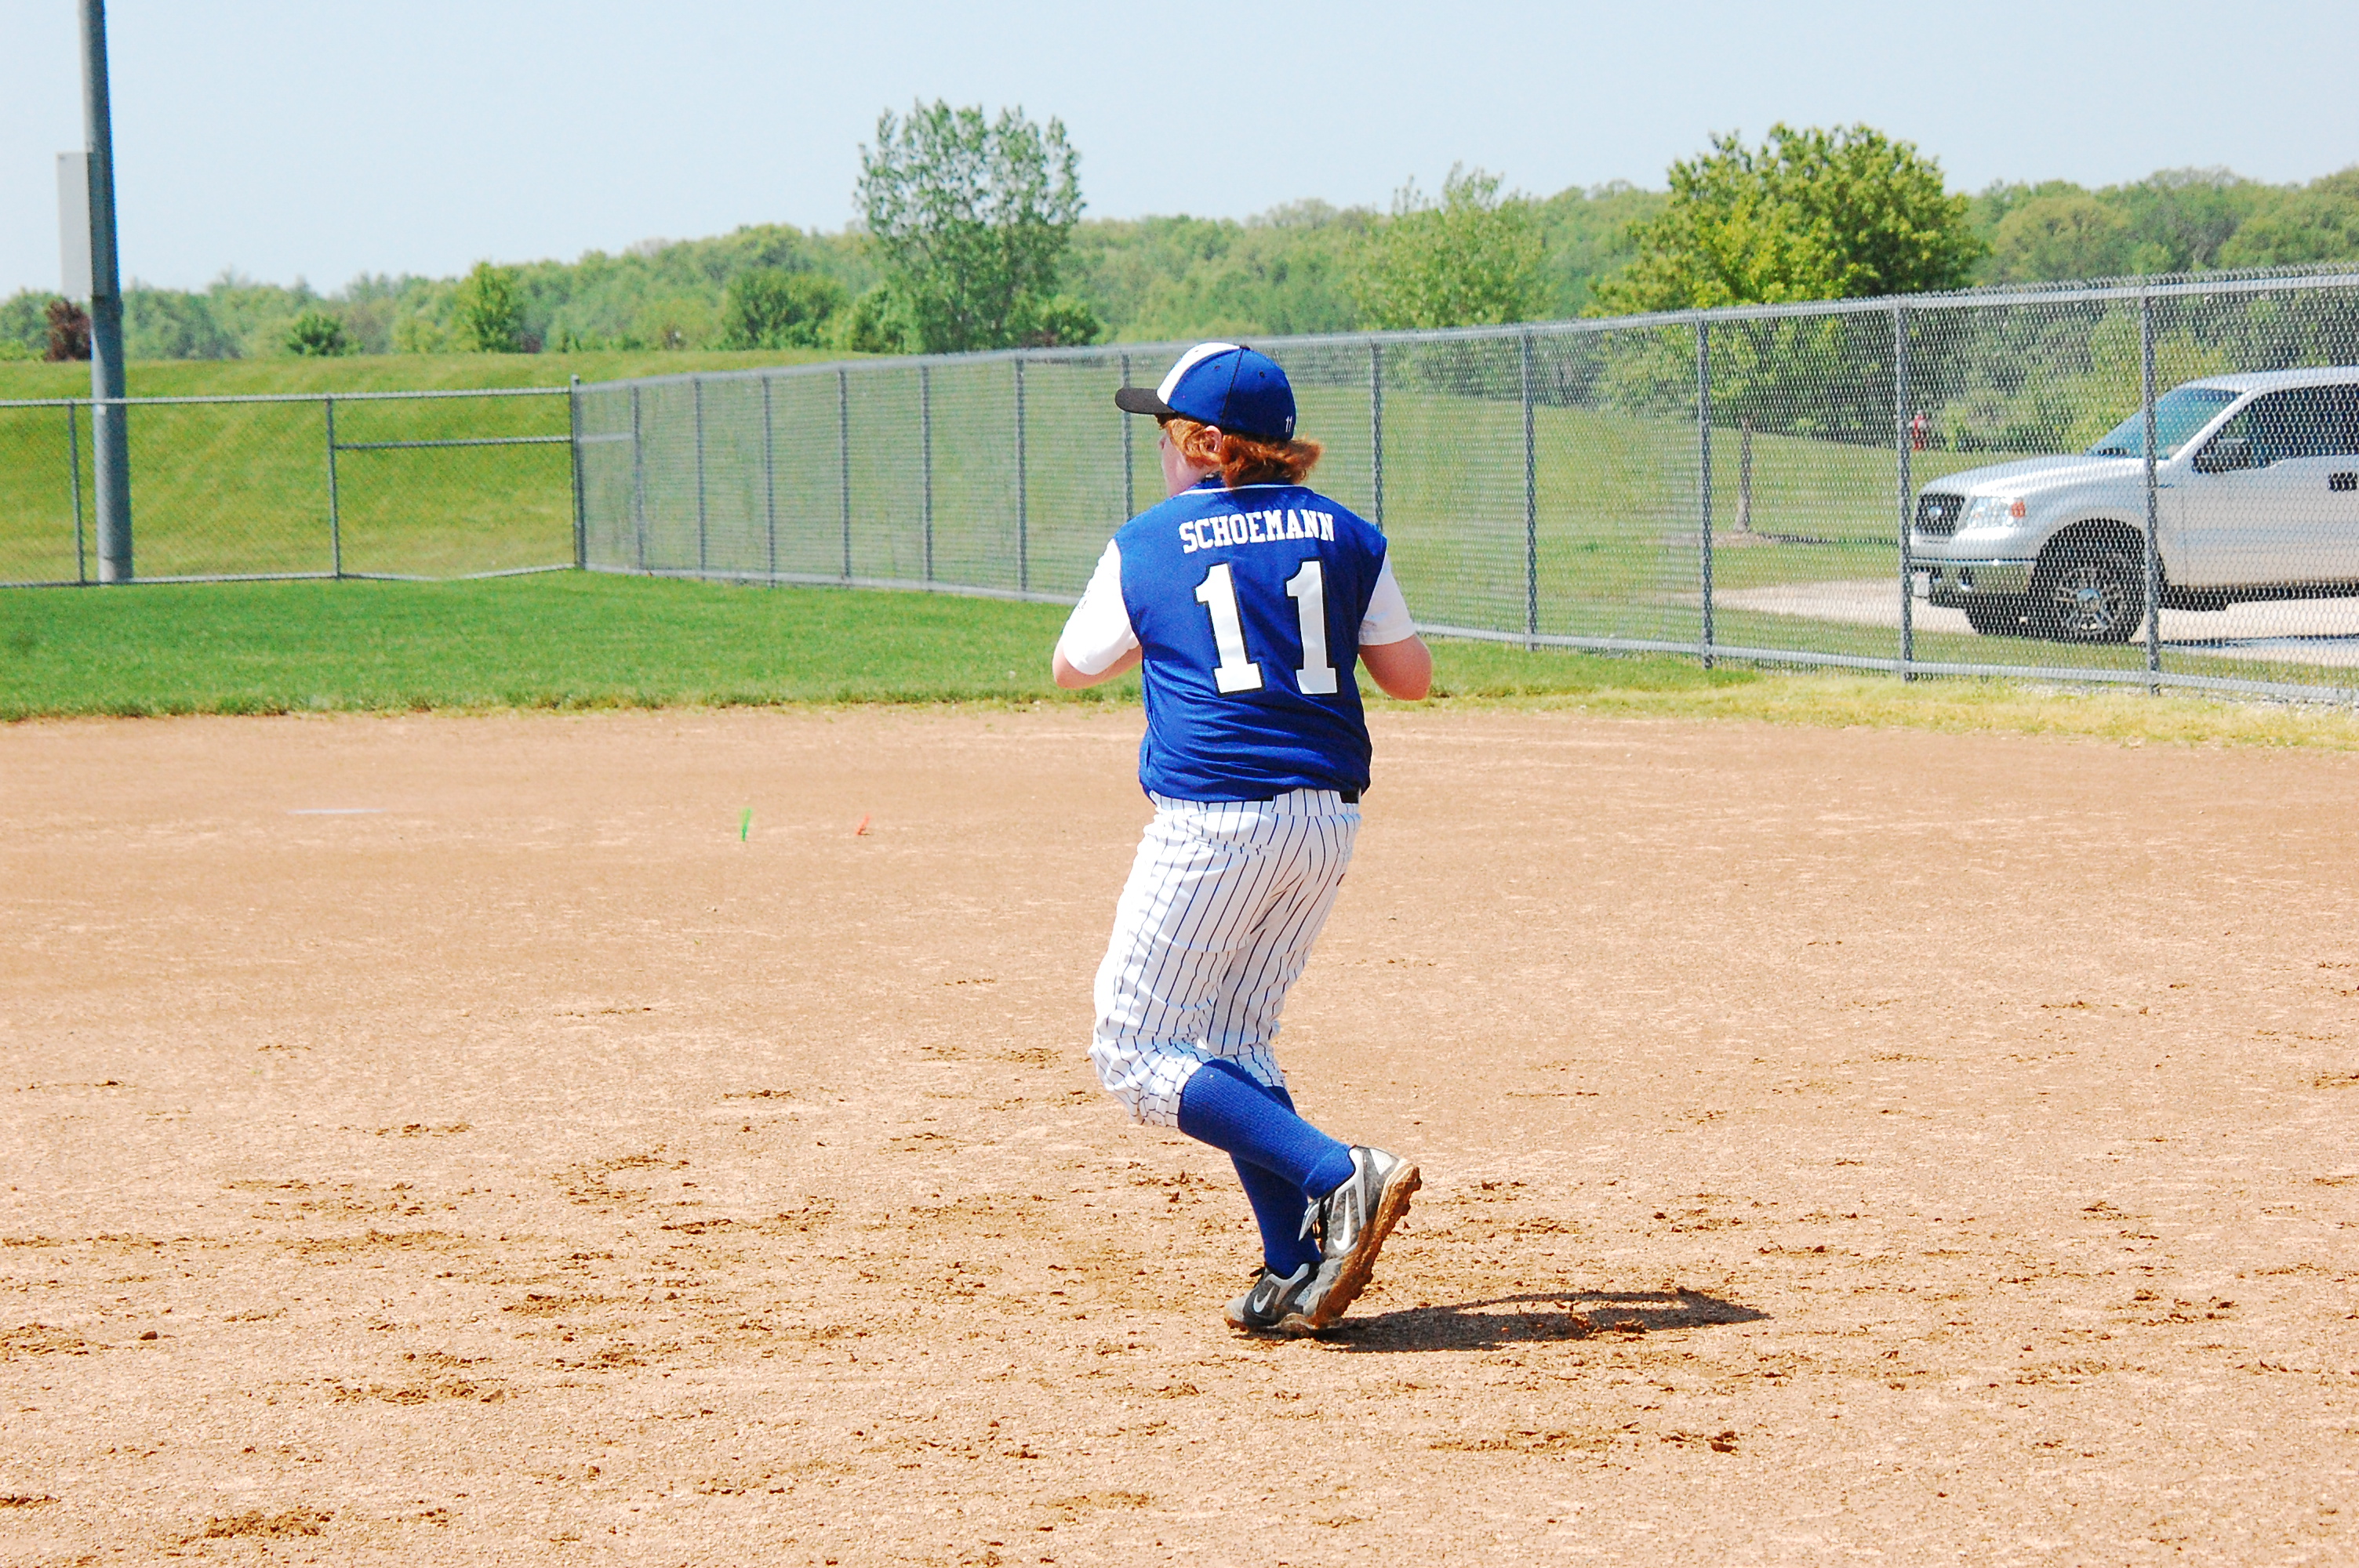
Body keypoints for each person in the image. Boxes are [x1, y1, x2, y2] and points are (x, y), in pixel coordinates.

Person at [1052, 342, 1434, 1335]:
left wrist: (1163, 622)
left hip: (1216, 817)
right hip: (1324, 820)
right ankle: (1292, 1262)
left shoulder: (1148, 539)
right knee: (1230, 1038)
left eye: (1166, 436)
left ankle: (1336, 1172)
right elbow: (1408, 677)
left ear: (1206, 445)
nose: (1160, 452)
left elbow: (1073, 664)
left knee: (1133, 1049)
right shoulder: (1347, 532)